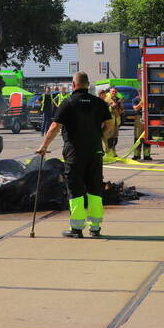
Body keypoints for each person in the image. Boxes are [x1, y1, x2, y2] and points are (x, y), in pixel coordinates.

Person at [37, 71, 114, 238]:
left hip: (74, 153)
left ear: (73, 85)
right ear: (88, 84)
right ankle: (95, 228)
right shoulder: (99, 103)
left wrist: (44, 146)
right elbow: (110, 125)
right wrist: (100, 136)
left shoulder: (68, 103)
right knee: (95, 187)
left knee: (75, 188)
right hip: (94, 151)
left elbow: (54, 127)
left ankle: (77, 228)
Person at [131, 94, 151, 160]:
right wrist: (141, 102)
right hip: (139, 117)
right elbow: (135, 108)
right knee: (138, 136)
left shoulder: (149, 98)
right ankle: (136, 155)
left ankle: (147, 155)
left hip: (148, 117)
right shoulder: (135, 99)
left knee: (147, 136)